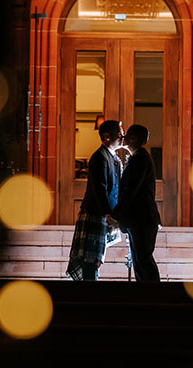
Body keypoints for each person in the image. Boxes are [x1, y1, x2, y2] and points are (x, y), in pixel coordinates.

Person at [66, 120, 125, 280]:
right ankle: (88, 293)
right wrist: (108, 214)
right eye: (119, 134)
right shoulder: (99, 157)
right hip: (96, 212)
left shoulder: (113, 158)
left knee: (95, 258)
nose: (123, 137)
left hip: (103, 214)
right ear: (106, 137)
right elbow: (100, 188)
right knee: (90, 258)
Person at [112, 124, 161, 282]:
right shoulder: (139, 157)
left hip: (142, 219)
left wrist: (115, 214)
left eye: (126, 135)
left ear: (133, 138)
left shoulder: (140, 159)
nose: (123, 137)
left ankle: (153, 296)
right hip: (140, 219)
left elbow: (130, 189)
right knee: (140, 260)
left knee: (143, 260)